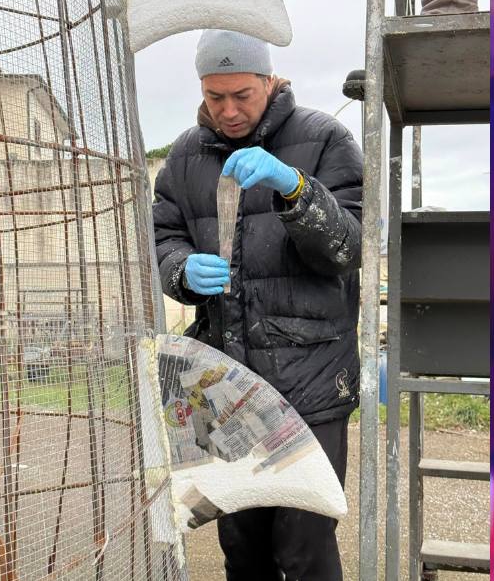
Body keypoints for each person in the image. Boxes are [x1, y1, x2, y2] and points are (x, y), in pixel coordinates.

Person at [152, 29, 362, 580]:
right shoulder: (184, 156)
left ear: (270, 79)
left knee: (304, 549)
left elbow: (347, 248)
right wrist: (180, 270)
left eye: (242, 94)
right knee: (242, 549)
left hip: (309, 384)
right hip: (226, 388)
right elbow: (162, 240)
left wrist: (295, 189)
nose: (228, 110)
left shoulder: (324, 139)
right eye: (214, 96)